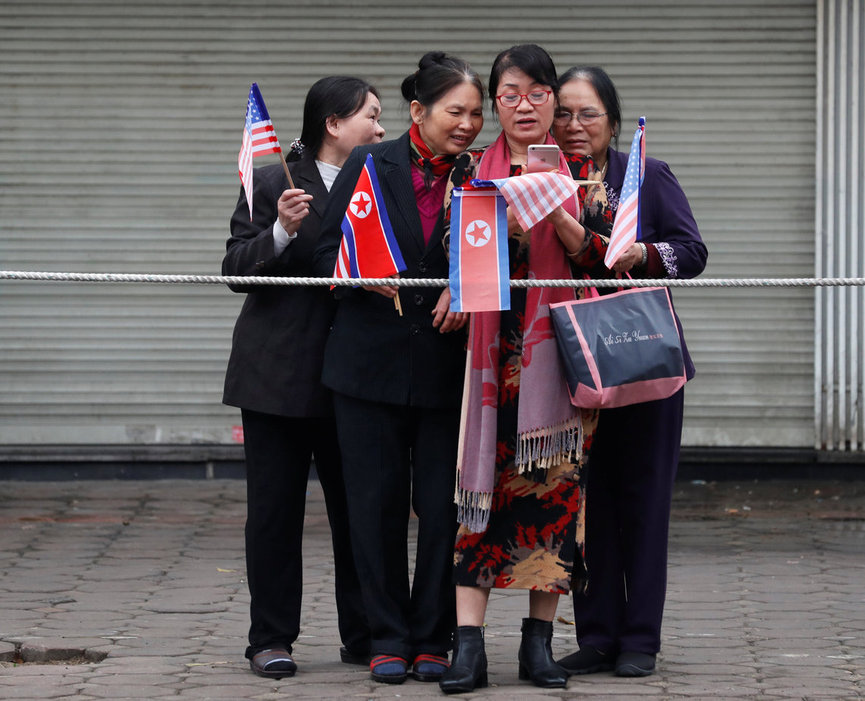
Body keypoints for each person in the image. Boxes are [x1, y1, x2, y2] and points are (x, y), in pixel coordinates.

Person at [438, 44, 611, 694]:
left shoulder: (579, 172)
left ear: (553, 100)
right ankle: (469, 649)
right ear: (496, 103)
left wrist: (557, 210)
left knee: (553, 502)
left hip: (553, 368)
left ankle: (538, 647)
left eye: (538, 93)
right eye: (510, 93)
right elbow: (450, 252)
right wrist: (456, 280)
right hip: (486, 370)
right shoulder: (469, 171)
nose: (525, 105)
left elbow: (601, 258)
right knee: (476, 503)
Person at [312, 52, 485, 686]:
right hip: (367, 364)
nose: (467, 125)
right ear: (418, 111)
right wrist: (361, 273)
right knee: (375, 506)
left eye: (475, 113)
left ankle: (432, 637)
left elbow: (491, 260)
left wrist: (466, 291)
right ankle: (385, 636)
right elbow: (326, 248)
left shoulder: (480, 173)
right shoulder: (368, 163)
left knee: (442, 508)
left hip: (446, 365)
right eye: (454, 112)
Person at [222, 75, 385, 679]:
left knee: (360, 512)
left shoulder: (381, 178)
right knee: (273, 513)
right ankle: (269, 638)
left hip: (357, 375)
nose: (381, 127)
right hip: (278, 375)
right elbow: (236, 267)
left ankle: (365, 632)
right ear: (334, 124)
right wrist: (281, 232)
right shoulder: (274, 181)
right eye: (371, 115)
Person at [552, 66, 708, 678]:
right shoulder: (538, 181)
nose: (572, 125)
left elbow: (691, 252)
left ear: (613, 122)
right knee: (585, 502)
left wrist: (644, 254)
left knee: (643, 502)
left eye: (587, 113)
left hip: (643, 362)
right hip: (569, 365)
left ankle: (640, 637)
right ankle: (595, 635)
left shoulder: (644, 175)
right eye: (562, 112)